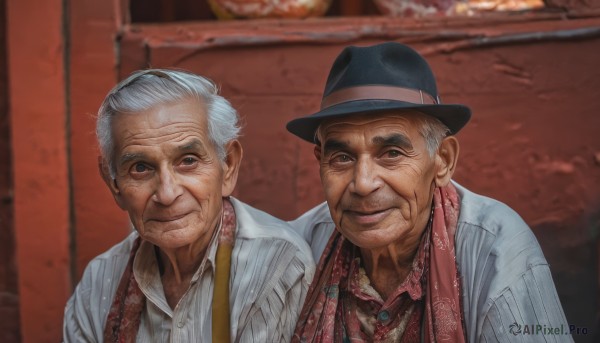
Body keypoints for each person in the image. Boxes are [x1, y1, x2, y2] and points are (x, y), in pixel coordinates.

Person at [286, 42, 571, 342]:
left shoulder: (496, 252)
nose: (363, 183)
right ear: (320, 162)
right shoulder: (298, 251)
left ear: (443, 161)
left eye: (392, 153)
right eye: (342, 157)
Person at [63, 69, 315, 342]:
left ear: (228, 165)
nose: (167, 194)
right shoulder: (99, 283)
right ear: (114, 184)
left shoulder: (276, 266)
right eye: (140, 168)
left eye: (188, 161)